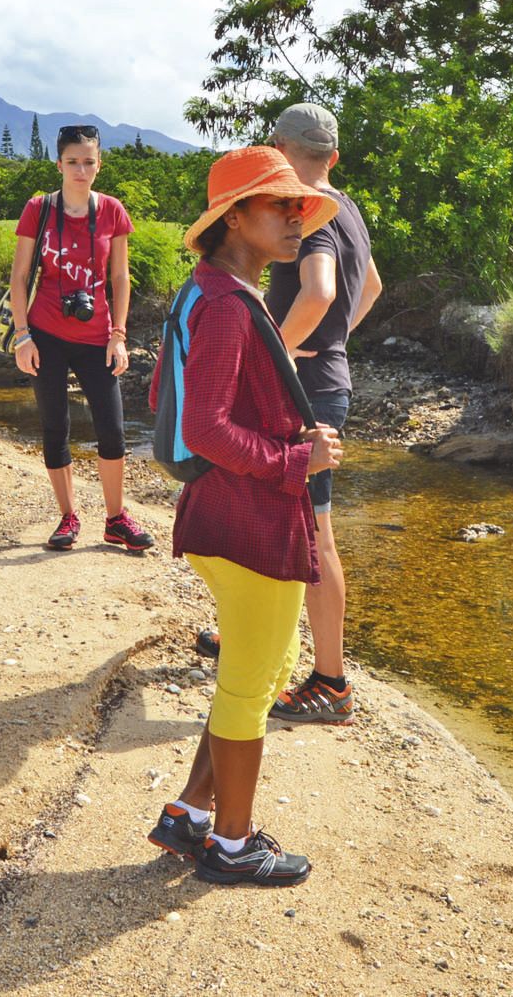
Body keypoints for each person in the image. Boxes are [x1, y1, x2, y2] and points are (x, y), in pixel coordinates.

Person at [145, 146, 341, 886]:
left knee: (251, 673)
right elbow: (203, 429)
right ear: (233, 218)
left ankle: (190, 813)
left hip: (220, 516)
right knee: (251, 684)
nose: (297, 219)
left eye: (300, 206)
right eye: (278, 206)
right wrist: (299, 459)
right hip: (248, 521)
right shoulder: (228, 304)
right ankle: (231, 845)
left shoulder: (210, 288)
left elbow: (181, 401)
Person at [263, 103, 381, 727]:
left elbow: (321, 291)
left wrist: (276, 352)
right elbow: (373, 290)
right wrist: (333, 341)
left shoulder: (307, 214)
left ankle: (332, 682)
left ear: (279, 150)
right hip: (324, 381)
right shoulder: (348, 209)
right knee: (281, 518)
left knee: (315, 533)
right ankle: (261, 636)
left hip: (305, 390)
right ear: (332, 155)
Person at [7, 124, 153, 554]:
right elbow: (18, 277)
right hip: (45, 333)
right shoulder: (40, 208)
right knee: (56, 428)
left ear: (99, 165)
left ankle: (115, 519)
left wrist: (119, 335)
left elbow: (121, 278)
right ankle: (68, 517)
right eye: (73, 161)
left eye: (89, 161)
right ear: (59, 164)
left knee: (112, 429)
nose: (81, 169)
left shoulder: (111, 211)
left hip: (97, 336)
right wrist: (22, 336)